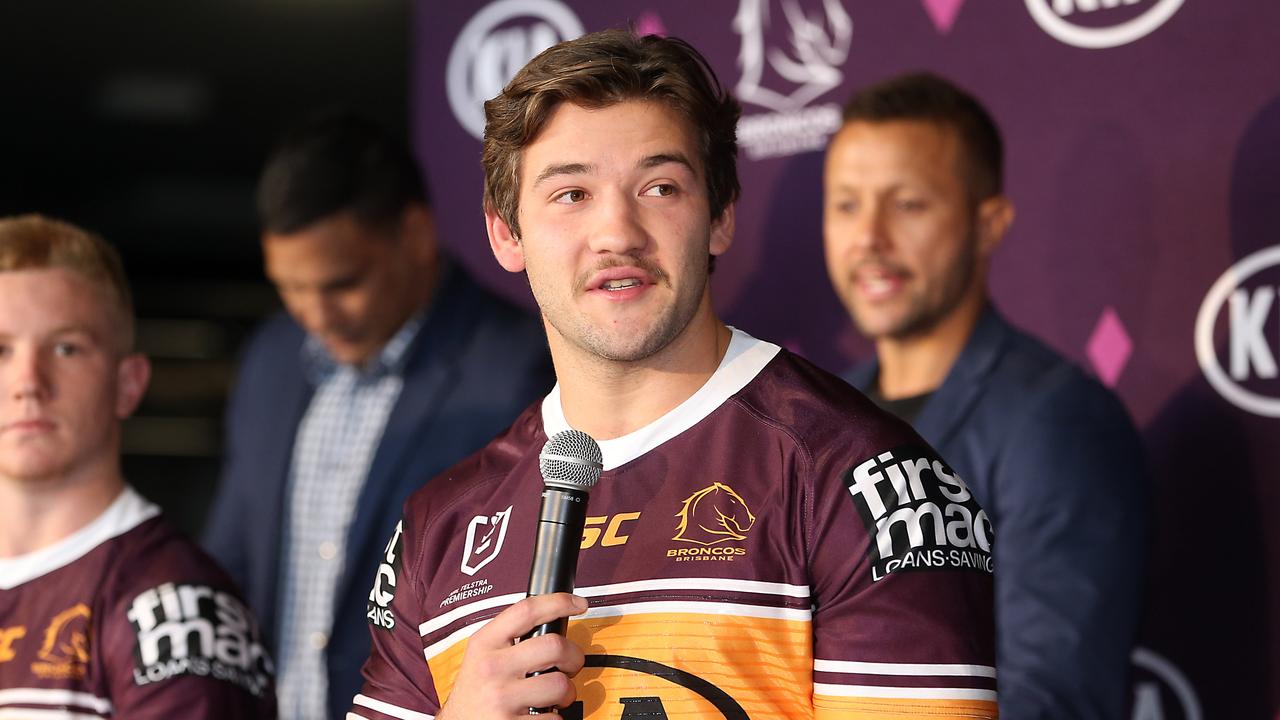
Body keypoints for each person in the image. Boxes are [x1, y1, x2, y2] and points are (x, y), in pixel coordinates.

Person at [350, 30, 998, 720]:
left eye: (659, 187)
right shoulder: (441, 524)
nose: (618, 232)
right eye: (571, 194)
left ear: (719, 216)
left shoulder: (859, 478)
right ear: (506, 234)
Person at [203, 111, 554, 720]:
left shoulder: (520, 366)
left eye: (341, 284)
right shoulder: (271, 359)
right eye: (290, 287)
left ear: (416, 234)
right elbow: (228, 571)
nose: (315, 314)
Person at [823, 71, 1148, 719]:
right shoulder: (820, 420)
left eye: (908, 204)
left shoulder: (1056, 419)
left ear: (989, 224)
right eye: (847, 204)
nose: (869, 239)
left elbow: (1051, 697)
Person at [0, 214, 276, 718]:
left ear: (129, 383)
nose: (27, 382)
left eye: (66, 348)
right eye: (1, 350)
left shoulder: (179, 609)